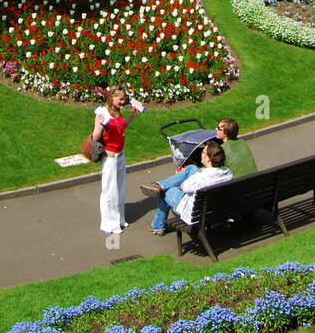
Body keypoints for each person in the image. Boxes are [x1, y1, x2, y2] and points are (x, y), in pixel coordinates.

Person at [146, 140, 232, 235]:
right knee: (192, 168)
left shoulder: (200, 178)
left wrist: (179, 185)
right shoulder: (227, 172)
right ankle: (159, 185)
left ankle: (157, 226)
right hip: (215, 209)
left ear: (208, 159)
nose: (201, 154)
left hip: (194, 213)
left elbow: (184, 187)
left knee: (167, 191)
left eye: (203, 152)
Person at [93, 86, 142, 235]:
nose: (122, 102)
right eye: (120, 99)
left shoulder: (117, 112)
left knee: (120, 189)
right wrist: (100, 126)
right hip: (109, 158)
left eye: (124, 100)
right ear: (112, 98)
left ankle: (119, 218)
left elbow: (121, 127)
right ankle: (109, 223)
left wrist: (132, 115)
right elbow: (95, 137)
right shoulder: (102, 113)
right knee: (110, 191)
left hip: (120, 155)